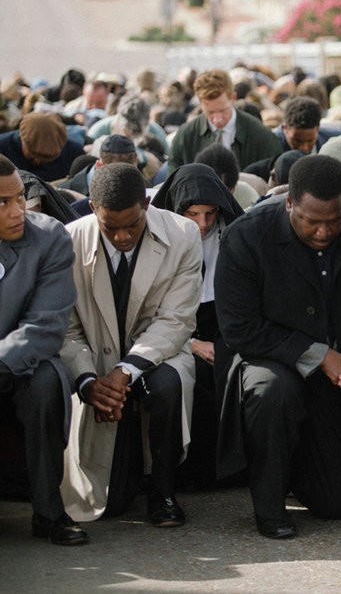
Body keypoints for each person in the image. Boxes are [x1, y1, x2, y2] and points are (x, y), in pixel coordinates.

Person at [215, 155, 341, 538]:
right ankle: (269, 506)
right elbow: (239, 328)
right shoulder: (246, 235)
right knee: (271, 390)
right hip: (272, 359)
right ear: (289, 202)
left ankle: (304, 466)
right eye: (310, 221)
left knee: (338, 505)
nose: (323, 232)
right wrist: (318, 356)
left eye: (333, 221)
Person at [60, 163, 202, 524]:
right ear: (93, 209)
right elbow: (65, 330)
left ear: (147, 203)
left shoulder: (183, 234)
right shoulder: (68, 240)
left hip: (160, 357)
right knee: (113, 504)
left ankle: (164, 491)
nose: (122, 236)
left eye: (132, 225)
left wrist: (126, 370)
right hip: (95, 367)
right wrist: (89, 381)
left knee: (168, 384)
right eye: (110, 227)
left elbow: (176, 320)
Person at [0, 155, 88, 546]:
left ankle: (50, 512)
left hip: (22, 362)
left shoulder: (50, 237)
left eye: (19, 197)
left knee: (46, 383)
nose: (17, 210)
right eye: (2, 203)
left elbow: (46, 326)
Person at [151, 163, 244, 488]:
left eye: (209, 214)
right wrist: (190, 343)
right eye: (192, 214)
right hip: (172, 334)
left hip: (225, 329)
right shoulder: (158, 240)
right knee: (194, 376)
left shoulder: (230, 235)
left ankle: (232, 469)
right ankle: (192, 473)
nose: (203, 224)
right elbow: (147, 312)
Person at [167, 69, 280, 171]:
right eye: (210, 112)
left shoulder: (260, 135)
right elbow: (174, 181)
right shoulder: (185, 136)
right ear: (200, 104)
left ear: (233, 98)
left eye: (223, 111)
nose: (217, 120)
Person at [0, 112, 84, 182]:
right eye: (33, 155)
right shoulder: (2, 148)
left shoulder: (73, 152)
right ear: (22, 137)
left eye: (47, 159)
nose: (38, 161)